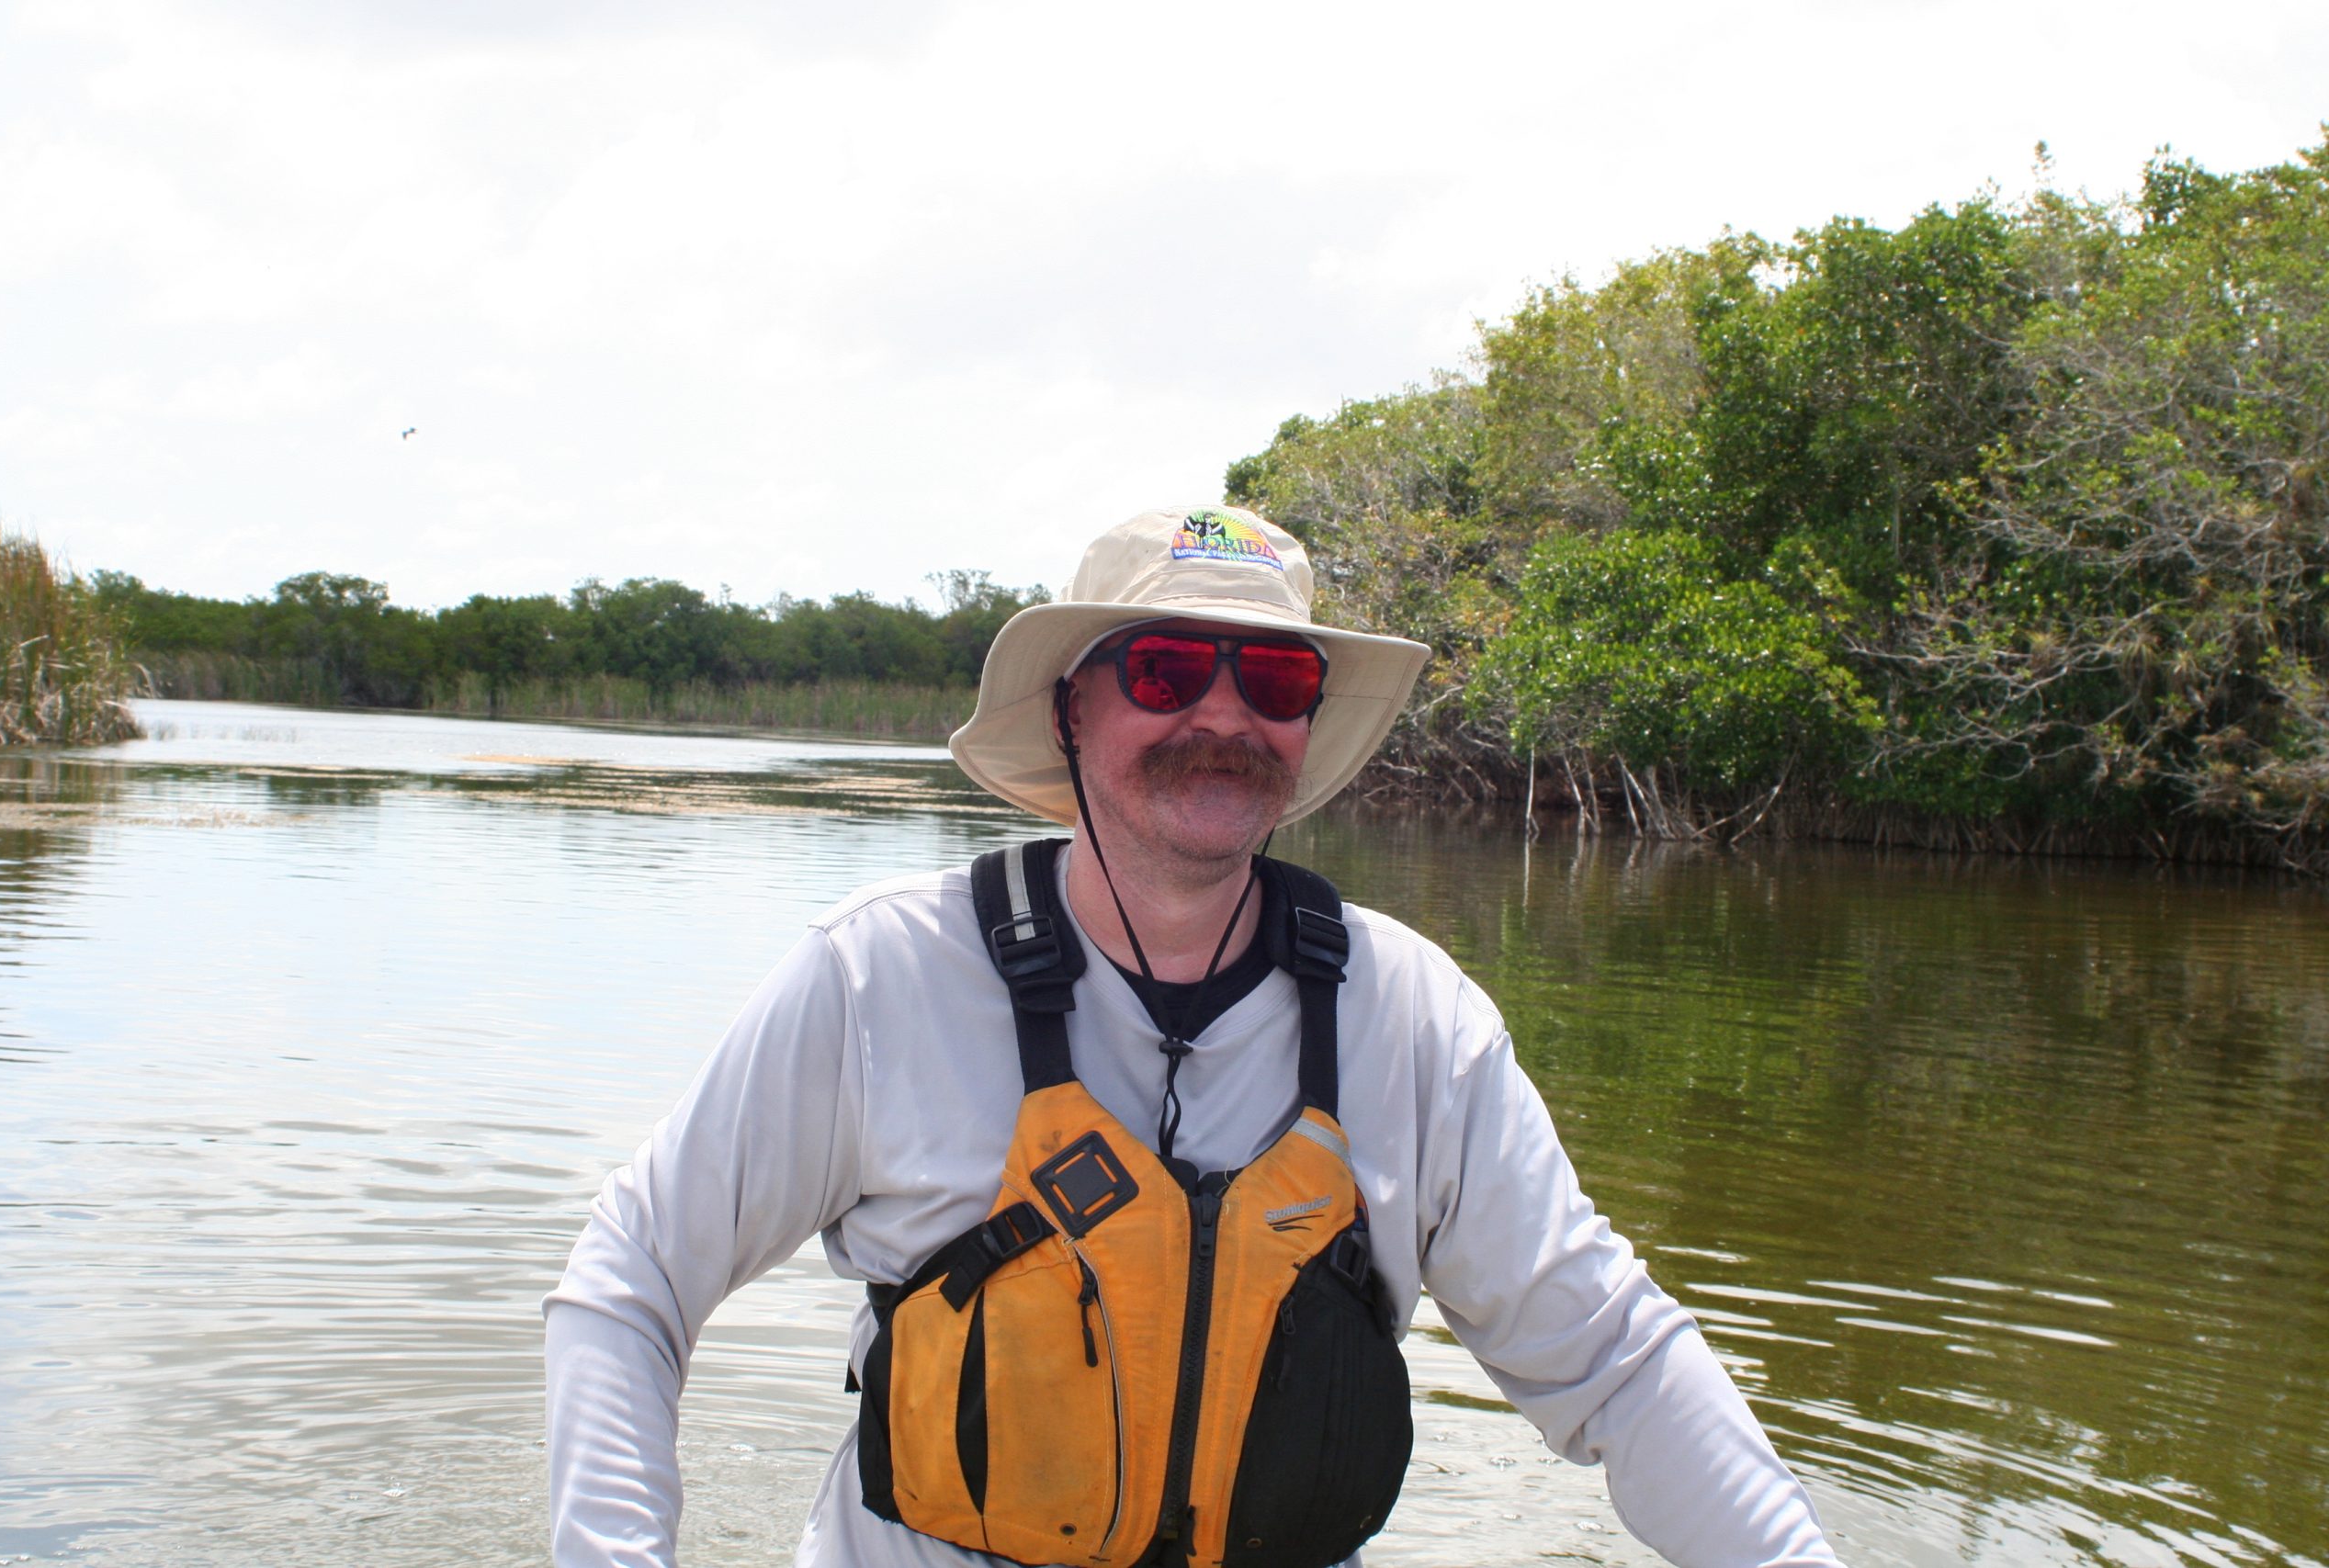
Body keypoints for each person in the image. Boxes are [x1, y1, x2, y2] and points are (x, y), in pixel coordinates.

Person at [545, 505, 1843, 1567]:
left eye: (1273, 680)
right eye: (1166, 670)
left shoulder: (1418, 1022)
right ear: (1072, 710)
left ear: (1306, 725)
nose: (1223, 718)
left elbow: (1615, 1363)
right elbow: (634, 1276)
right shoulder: (879, 977)